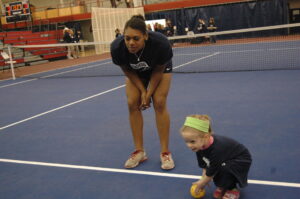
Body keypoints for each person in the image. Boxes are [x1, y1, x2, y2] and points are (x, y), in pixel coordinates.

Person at [110, 14, 175, 170]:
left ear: (145, 36)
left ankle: (165, 152)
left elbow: (158, 71)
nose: (131, 43)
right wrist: (142, 91)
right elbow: (128, 71)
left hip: (159, 69)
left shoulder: (161, 44)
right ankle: (139, 151)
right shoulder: (117, 48)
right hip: (135, 72)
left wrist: (149, 93)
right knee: (132, 102)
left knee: (159, 102)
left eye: (136, 38)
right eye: (127, 38)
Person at [180, 115, 252, 199]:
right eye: (186, 141)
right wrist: (203, 179)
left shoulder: (217, 148)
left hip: (240, 159)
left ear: (206, 136)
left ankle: (232, 189)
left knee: (222, 167)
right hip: (226, 157)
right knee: (217, 167)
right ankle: (223, 186)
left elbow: (212, 171)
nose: (189, 145)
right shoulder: (199, 146)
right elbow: (205, 165)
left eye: (192, 141)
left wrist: (201, 183)